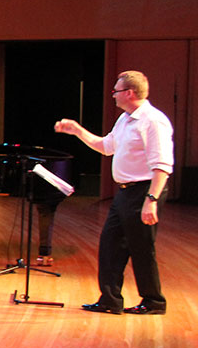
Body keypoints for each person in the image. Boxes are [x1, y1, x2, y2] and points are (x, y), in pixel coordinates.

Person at [56, 70, 172, 315]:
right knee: (110, 245)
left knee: (141, 247)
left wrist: (151, 200)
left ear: (129, 93)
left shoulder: (153, 121)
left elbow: (162, 164)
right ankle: (110, 299)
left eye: (116, 91)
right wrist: (77, 130)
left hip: (144, 191)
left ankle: (154, 302)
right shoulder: (125, 119)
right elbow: (106, 147)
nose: (113, 96)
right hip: (125, 194)